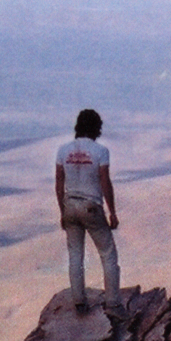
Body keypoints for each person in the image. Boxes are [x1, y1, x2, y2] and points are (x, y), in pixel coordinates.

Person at [55, 108, 120, 313]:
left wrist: (62, 211)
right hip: (91, 206)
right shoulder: (100, 151)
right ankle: (112, 303)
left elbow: (59, 183)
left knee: (75, 255)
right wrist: (112, 212)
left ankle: (79, 302)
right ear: (96, 128)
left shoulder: (63, 151)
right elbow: (105, 182)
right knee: (108, 254)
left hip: (70, 204)